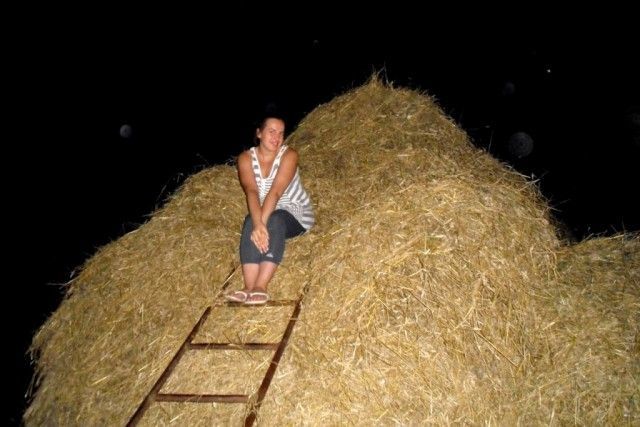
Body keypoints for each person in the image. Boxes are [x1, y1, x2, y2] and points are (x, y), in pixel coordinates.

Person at [225, 114, 315, 305]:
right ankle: (248, 286)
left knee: (274, 220)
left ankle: (261, 286)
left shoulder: (289, 155)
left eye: (281, 134)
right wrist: (257, 224)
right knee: (250, 220)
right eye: (271, 132)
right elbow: (251, 191)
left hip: (295, 212)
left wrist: (261, 224)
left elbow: (275, 192)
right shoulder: (245, 158)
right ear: (259, 133)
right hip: (268, 210)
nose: (277, 138)